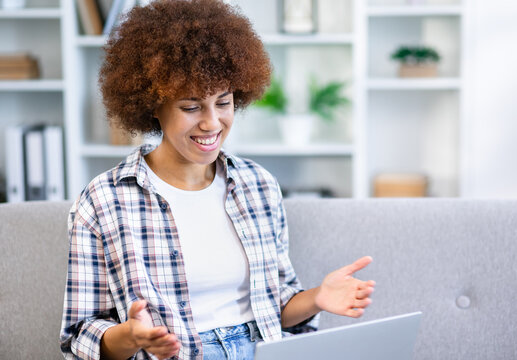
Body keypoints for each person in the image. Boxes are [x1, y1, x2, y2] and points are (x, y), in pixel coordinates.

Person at [59, 0, 375, 359]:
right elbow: (79, 337)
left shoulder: (258, 185)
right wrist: (131, 336)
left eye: (223, 103)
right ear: (152, 105)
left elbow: (277, 308)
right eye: (191, 107)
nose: (212, 123)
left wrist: (316, 297)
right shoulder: (104, 200)